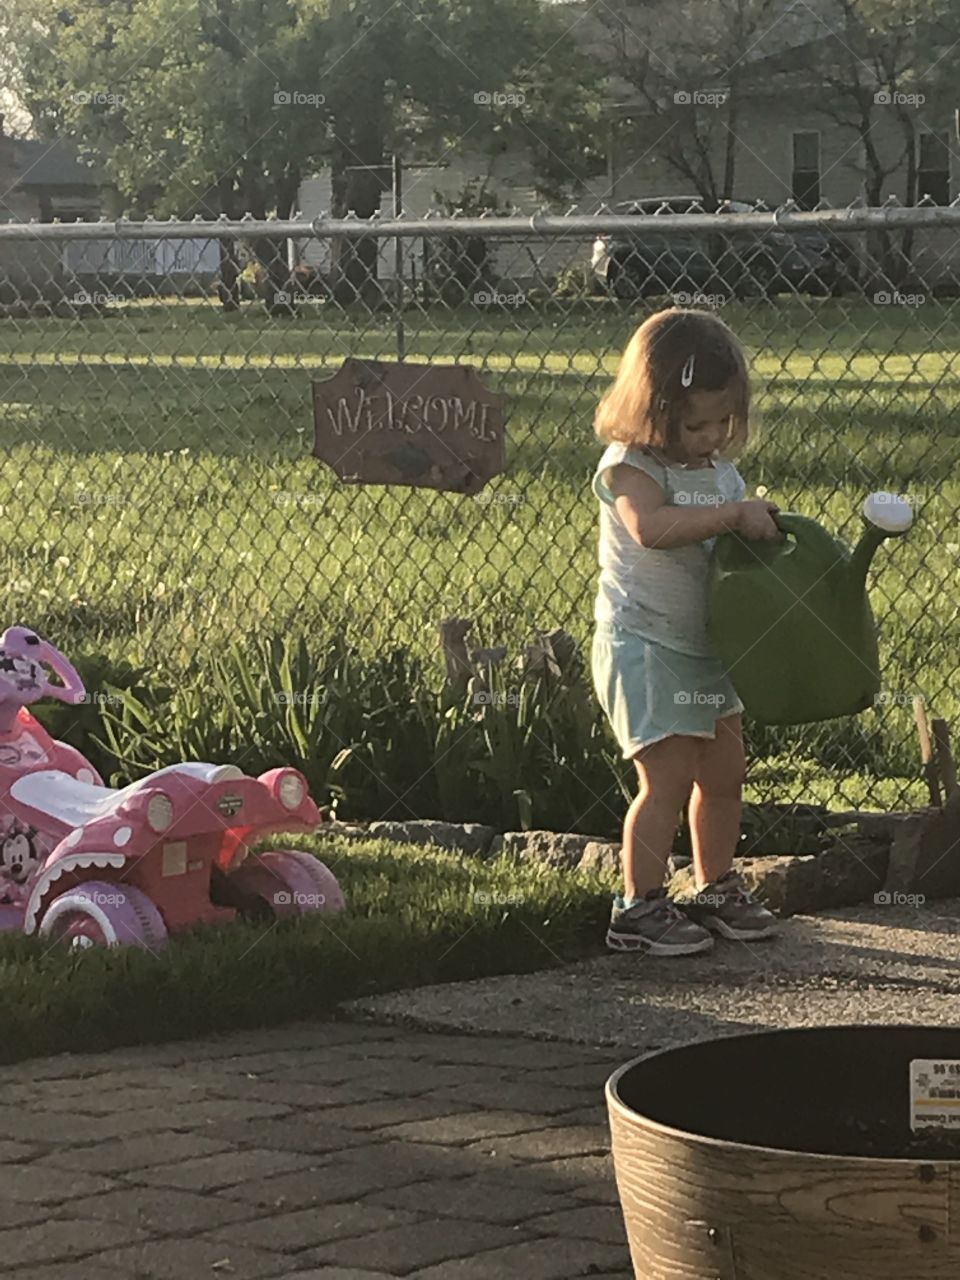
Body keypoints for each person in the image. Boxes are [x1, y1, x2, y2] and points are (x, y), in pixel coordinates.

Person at [591, 307, 780, 955]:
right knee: (666, 780)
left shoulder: (718, 472)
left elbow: (725, 545)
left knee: (725, 772)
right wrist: (729, 514)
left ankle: (716, 884)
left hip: (708, 648)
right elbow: (652, 528)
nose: (709, 437)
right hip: (647, 645)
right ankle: (638, 907)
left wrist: (756, 525)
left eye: (722, 422)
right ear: (652, 409)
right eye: (694, 423)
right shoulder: (632, 468)